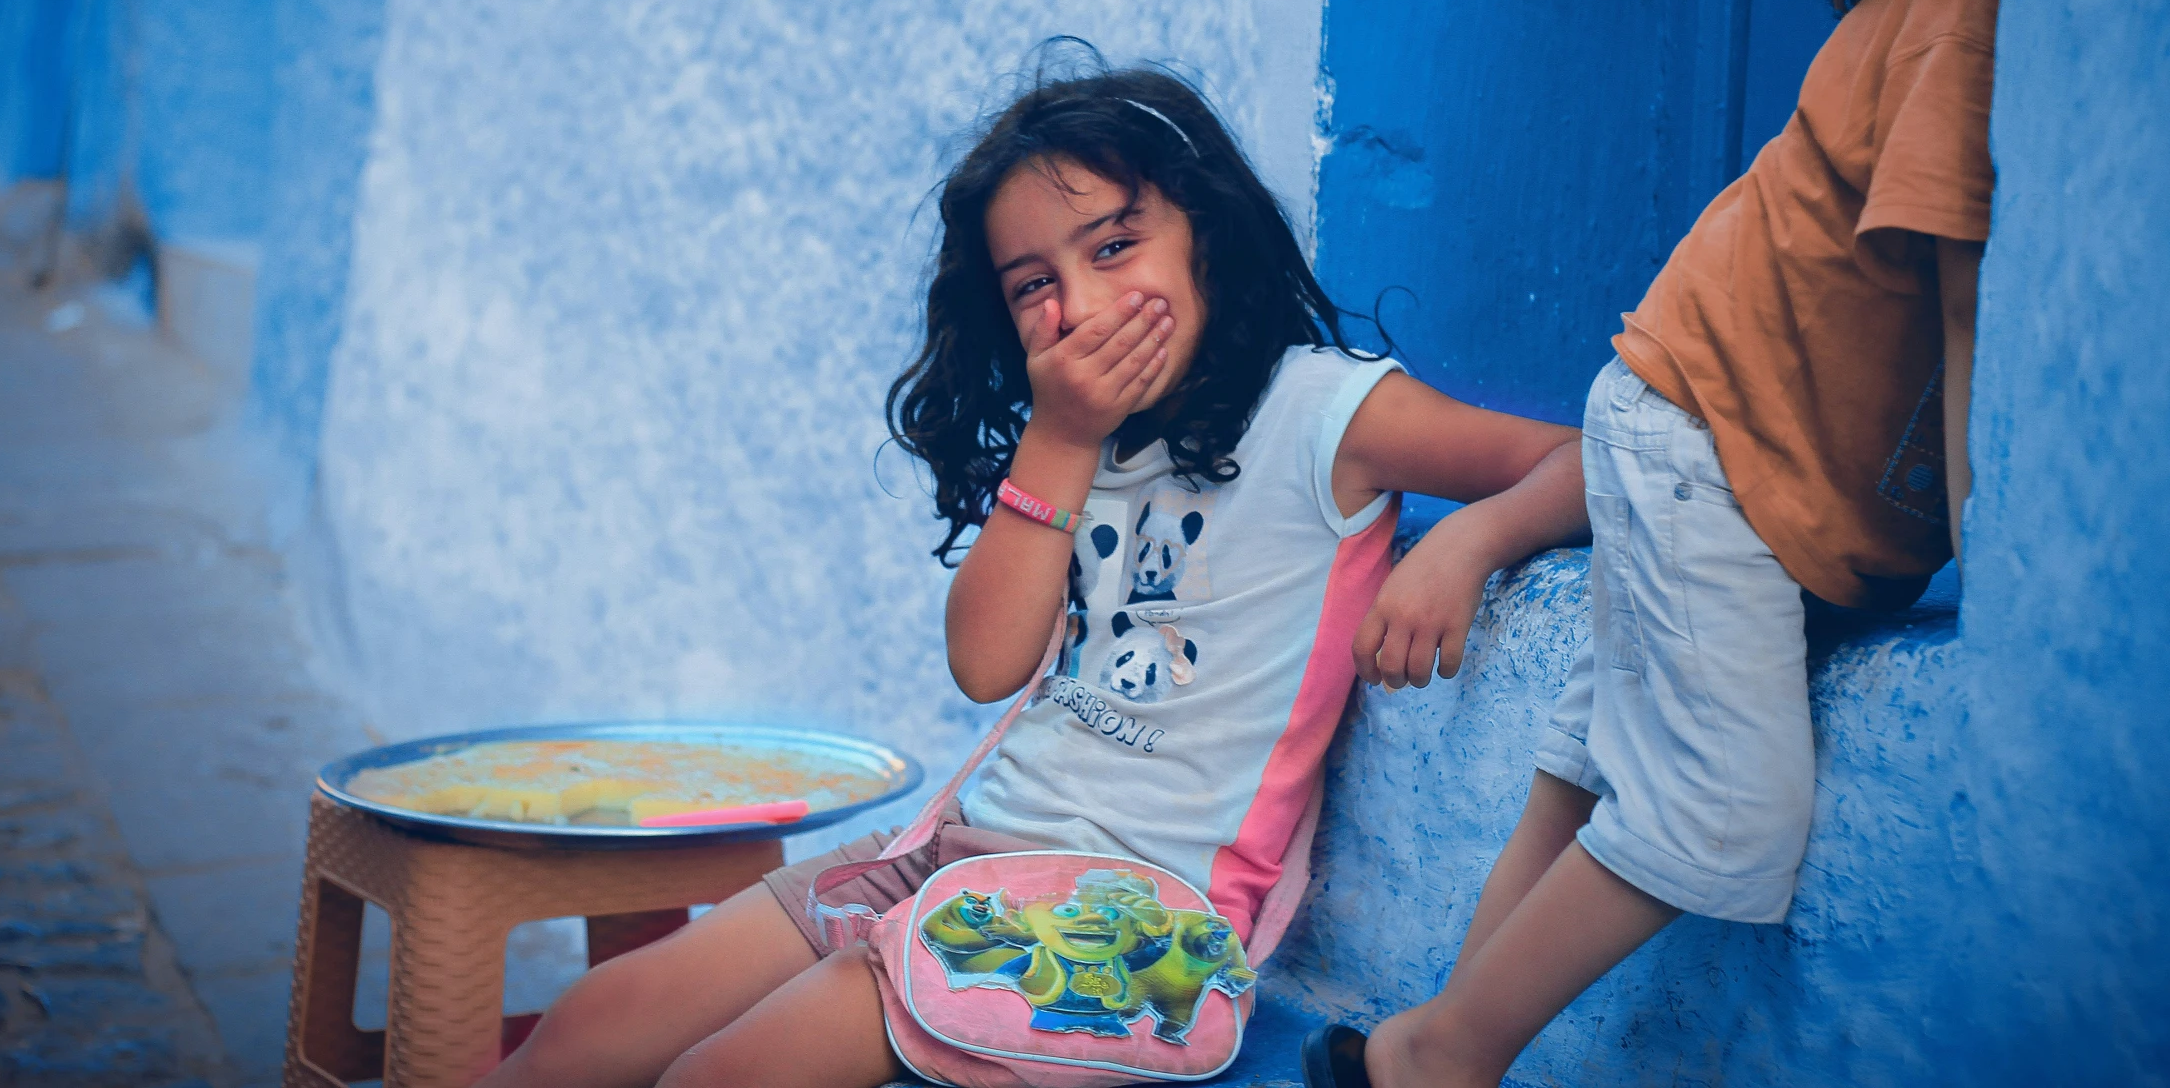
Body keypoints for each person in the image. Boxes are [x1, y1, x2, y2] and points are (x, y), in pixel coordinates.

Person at [481, 61, 1585, 1088]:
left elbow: (1591, 462)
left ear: (1202, 229)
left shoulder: (1323, 411)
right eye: (1034, 285)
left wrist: (1466, 541)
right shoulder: (1076, 431)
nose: (1084, 303)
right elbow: (985, 660)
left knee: (720, 1077)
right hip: (949, 855)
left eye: (1113, 246)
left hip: (1124, 922)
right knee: (589, 1024)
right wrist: (1056, 437)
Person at [1300, 0, 2034, 1088]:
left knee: (1588, 772)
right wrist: (1992, 551)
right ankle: (1443, 1049)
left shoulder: (1959, 1)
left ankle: (1423, 1048)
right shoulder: (1964, 6)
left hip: (1694, 432)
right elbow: (1958, 300)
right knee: (1727, 811)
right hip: (1706, 447)